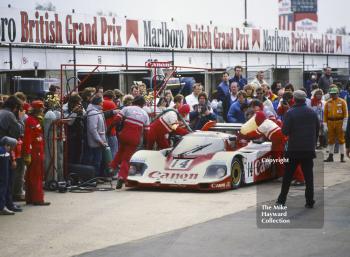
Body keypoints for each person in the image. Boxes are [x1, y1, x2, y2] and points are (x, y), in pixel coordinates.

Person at [276, 90, 319, 208]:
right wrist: (312, 144)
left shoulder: (290, 113)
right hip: (308, 150)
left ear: (294, 99)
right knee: (309, 177)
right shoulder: (312, 112)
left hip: (294, 149)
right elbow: (317, 129)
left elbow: (284, 131)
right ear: (305, 99)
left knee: (287, 177)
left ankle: (281, 200)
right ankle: (309, 201)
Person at [110, 96, 150, 189]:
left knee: (120, 151)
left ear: (134, 101)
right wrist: (146, 143)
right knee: (127, 159)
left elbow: (116, 120)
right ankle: (121, 176)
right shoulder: (145, 114)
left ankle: (112, 167)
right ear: (143, 104)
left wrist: (110, 129)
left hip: (124, 135)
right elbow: (147, 131)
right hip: (135, 138)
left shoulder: (127, 108)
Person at [23, 100, 50, 206]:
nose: (43, 110)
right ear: (37, 109)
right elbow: (28, 138)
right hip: (35, 151)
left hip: (37, 150)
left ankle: (30, 198)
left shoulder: (36, 120)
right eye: (41, 108)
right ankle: (38, 198)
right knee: (36, 175)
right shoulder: (31, 121)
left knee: (32, 175)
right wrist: (27, 153)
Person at [324, 86, 348, 162]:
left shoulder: (342, 102)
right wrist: (325, 125)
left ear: (338, 93)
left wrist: (344, 125)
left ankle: (342, 156)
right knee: (330, 139)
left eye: (334, 94)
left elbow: (346, 114)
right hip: (330, 122)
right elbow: (325, 115)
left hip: (340, 122)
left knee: (341, 139)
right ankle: (330, 156)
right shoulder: (327, 103)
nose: (333, 95)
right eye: (332, 94)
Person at [86, 94, 108, 177]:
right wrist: (100, 141)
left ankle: (96, 177)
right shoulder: (93, 113)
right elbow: (93, 129)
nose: (103, 102)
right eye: (102, 101)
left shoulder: (97, 112)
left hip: (99, 142)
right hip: (96, 143)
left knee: (98, 161)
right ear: (98, 102)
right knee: (96, 161)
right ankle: (93, 178)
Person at [0, 137, 21, 215]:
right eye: (11, 147)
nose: (11, 150)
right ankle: (2, 207)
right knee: (3, 184)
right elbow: (4, 173)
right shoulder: (4, 153)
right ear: (8, 145)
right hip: (2, 175)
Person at [103, 90, 119, 158]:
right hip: (111, 130)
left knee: (106, 151)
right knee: (114, 149)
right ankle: (112, 166)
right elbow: (116, 119)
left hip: (103, 129)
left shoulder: (102, 102)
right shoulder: (111, 103)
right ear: (112, 97)